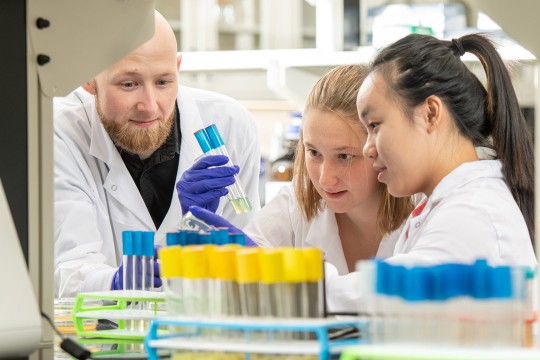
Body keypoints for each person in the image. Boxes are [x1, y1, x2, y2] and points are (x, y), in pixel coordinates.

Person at [54, 11, 261, 298]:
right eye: (129, 84)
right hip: (100, 333)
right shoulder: (58, 132)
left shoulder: (230, 123)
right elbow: (66, 270)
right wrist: (115, 283)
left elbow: (245, 267)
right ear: (89, 80)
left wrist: (196, 228)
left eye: (164, 82)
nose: (150, 106)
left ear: (177, 68)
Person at [189, 64, 414, 312]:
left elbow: (400, 293)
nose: (326, 179)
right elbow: (227, 291)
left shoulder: (423, 209)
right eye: (314, 153)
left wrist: (283, 272)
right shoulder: (293, 203)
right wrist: (192, 234)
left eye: (345, 157)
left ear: (380, 148)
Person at [356, 33, 536, 267]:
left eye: (374, 125)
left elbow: (394, 289)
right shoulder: (453, 203)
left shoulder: (471, 213)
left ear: (430, 113)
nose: (367, 149)